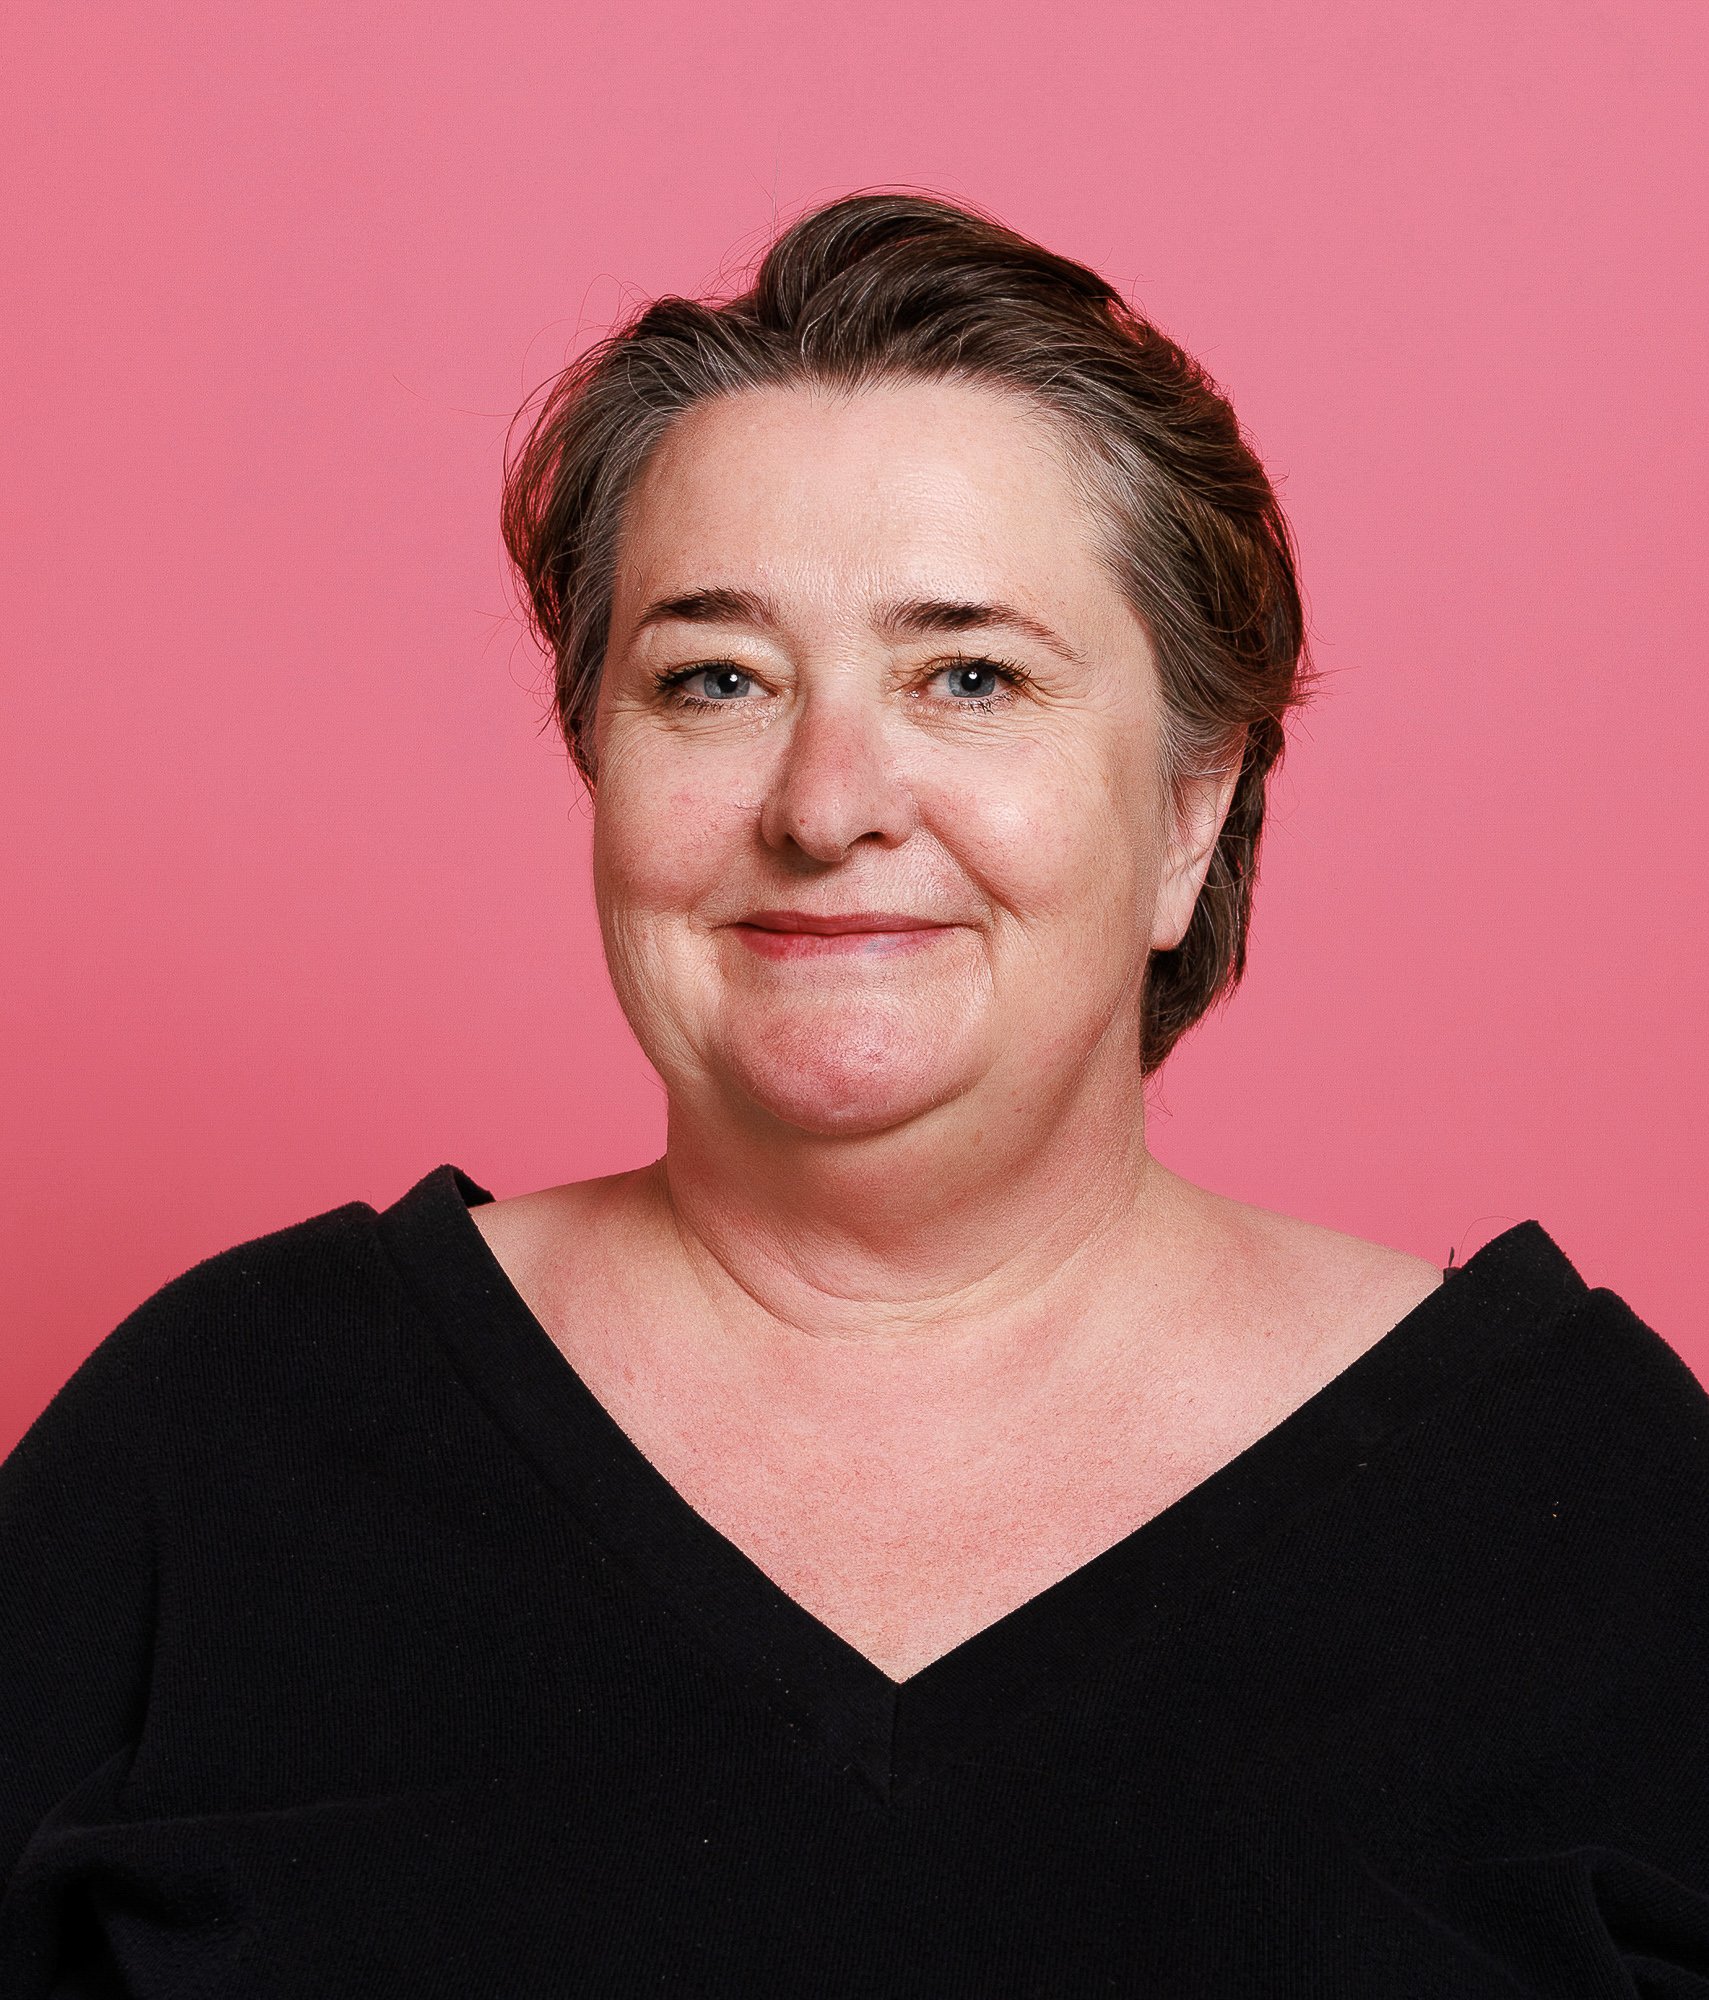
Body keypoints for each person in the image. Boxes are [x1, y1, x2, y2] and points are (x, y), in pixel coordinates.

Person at [2, 193, 1705, 1998]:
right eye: (714, 679)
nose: (826, 804)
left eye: (968, 676)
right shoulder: (220, 1442)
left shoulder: (1585, 1501)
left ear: (1188, 810)